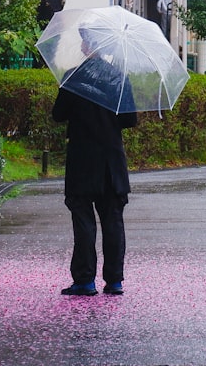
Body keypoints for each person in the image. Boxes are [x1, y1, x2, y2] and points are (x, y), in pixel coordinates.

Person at [53, 30, 138, 296]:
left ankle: (85, 280)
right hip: (111, 163)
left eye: (84, 40)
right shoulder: (119, 78)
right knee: (113, 221)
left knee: (84, 221)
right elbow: (130, 120)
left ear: (89, 45)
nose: (81, 44)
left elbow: (58, 115)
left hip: (82, 161)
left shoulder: (73, 77)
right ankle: (114, 281)